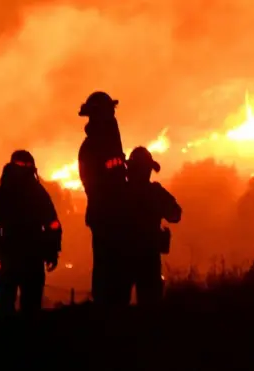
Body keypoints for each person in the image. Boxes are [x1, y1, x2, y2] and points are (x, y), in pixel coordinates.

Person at [0, 150, 62, 315]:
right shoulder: (38, 193)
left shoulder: (2, 193)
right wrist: (52, 251)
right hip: (28, 253)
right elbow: (53, 225)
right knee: (28, 305)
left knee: (9, 303)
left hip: (12, 253)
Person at [77, 91, 130, 307]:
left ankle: (117, 306)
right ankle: (105, 308)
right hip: (105, 213)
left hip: (116, 211)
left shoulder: (110, 143)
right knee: (107, 262)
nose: (112, 116)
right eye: (108, 112)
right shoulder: (91, 148)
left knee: (120, 262)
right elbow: (96, 183)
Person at [126, 146, 182, 309]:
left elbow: (175, 214)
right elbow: (175, 214)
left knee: (118, 307)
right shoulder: (155, 193)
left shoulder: (121, 192)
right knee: (150, 306)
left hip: (124, 256)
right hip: (147, 257)